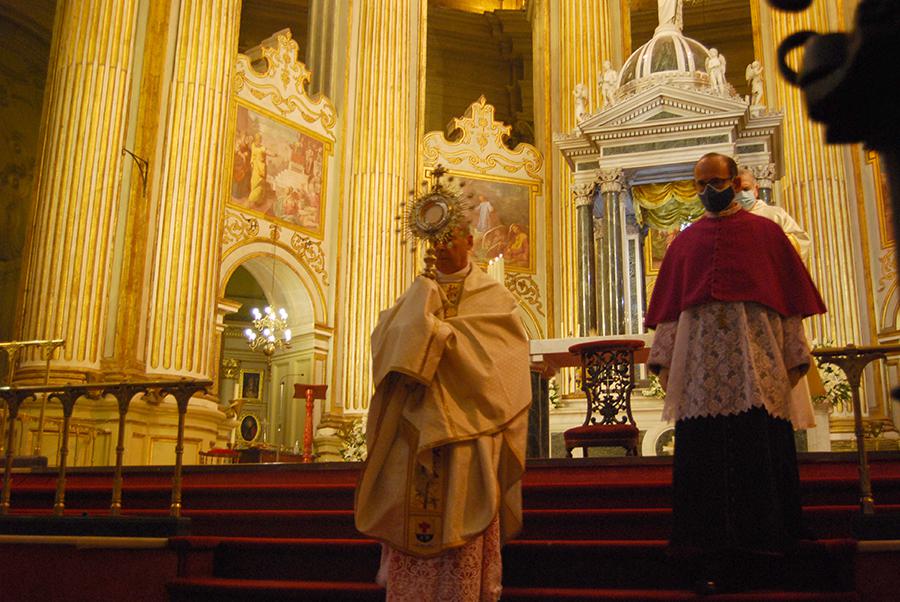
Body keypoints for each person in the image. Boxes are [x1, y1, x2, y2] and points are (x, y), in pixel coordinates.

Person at [645, 152, 827, 592]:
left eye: (716, 182)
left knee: (759, 450)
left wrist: (792, 352)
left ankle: (769, 543)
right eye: (701, 184)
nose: (709, 191)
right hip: (701, 374)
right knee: (704, 461)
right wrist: (664, 358)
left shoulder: (767, 233)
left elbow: (786, 305)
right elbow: (671, 313)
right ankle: (704, 548)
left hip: (755, 365)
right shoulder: (684, 244)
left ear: (736, 181)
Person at [355, 224, 531, 601]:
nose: (443, 246)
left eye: (452, 237)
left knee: (462, 517)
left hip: (470, 428)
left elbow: (503, 364)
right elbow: (385, 348)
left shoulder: (493, 297)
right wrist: (416, 327)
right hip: (414, 428)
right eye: (436, 239)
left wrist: (436, 339)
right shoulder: (414, 294)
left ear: (470, 241)